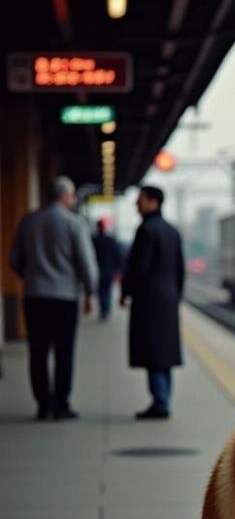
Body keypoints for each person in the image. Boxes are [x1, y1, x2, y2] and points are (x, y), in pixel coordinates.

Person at [9, 176, 98, 420]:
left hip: (34, 296)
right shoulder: (74, 222)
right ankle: (61, 405)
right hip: (64, 298)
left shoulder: (29, 221)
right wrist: (90, 292)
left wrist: (30, 277)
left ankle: (43, 404)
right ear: (66, 196)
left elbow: (14, 259)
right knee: (64, 352)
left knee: (37, 352)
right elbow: (86, 263)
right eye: (72, 195)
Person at [120, 185, 184, 419]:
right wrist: (176, 295)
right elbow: (179, 270)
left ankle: (160, 402)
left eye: (140, 200)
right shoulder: (172, 231)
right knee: (164, 353)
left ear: (153, 202)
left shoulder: (146, 230)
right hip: (168, 299)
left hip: (149, 300)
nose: (136, 204)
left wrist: (126, 291)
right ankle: (163, 398)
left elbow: (139, 268)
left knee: (153, 353)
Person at [92, 217, 123, 320]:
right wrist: (118, 270)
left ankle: (103, 310)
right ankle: (106, 309)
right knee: (107, 290)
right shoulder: (111, 240)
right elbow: (117, 255)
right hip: (109, 270)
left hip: (97, 270)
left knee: (101, 291)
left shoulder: (94, 240)